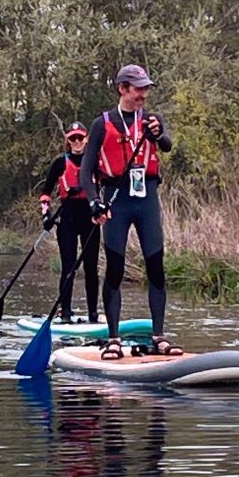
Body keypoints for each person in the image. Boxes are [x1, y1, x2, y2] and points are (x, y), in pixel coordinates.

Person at [80, 63, 182, 360]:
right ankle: (112, 338)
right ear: (123, 88)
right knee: (114, 268)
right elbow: (86, 172)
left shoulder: (151, 119)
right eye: (138, 89)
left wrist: (158, 133)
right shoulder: (102, 123)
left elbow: (167, 145)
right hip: (116, 198)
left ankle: (159, 336)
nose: (143, 94)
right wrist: (93, 202)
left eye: (146, 89)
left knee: (156, 268)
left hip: (146, 197)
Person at [38, 121, 100, 325]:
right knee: (68, 267)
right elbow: (45, 194)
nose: (76, 142)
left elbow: (106, 186)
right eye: (72, 138)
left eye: (80, 138)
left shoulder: (95, 162)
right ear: (68, 141)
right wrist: (46, 216)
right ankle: (65, 312)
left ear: (86, 139)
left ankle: (93, 314)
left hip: (90, 216)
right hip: (67, 217)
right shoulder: (60, 163)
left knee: (91, 267)